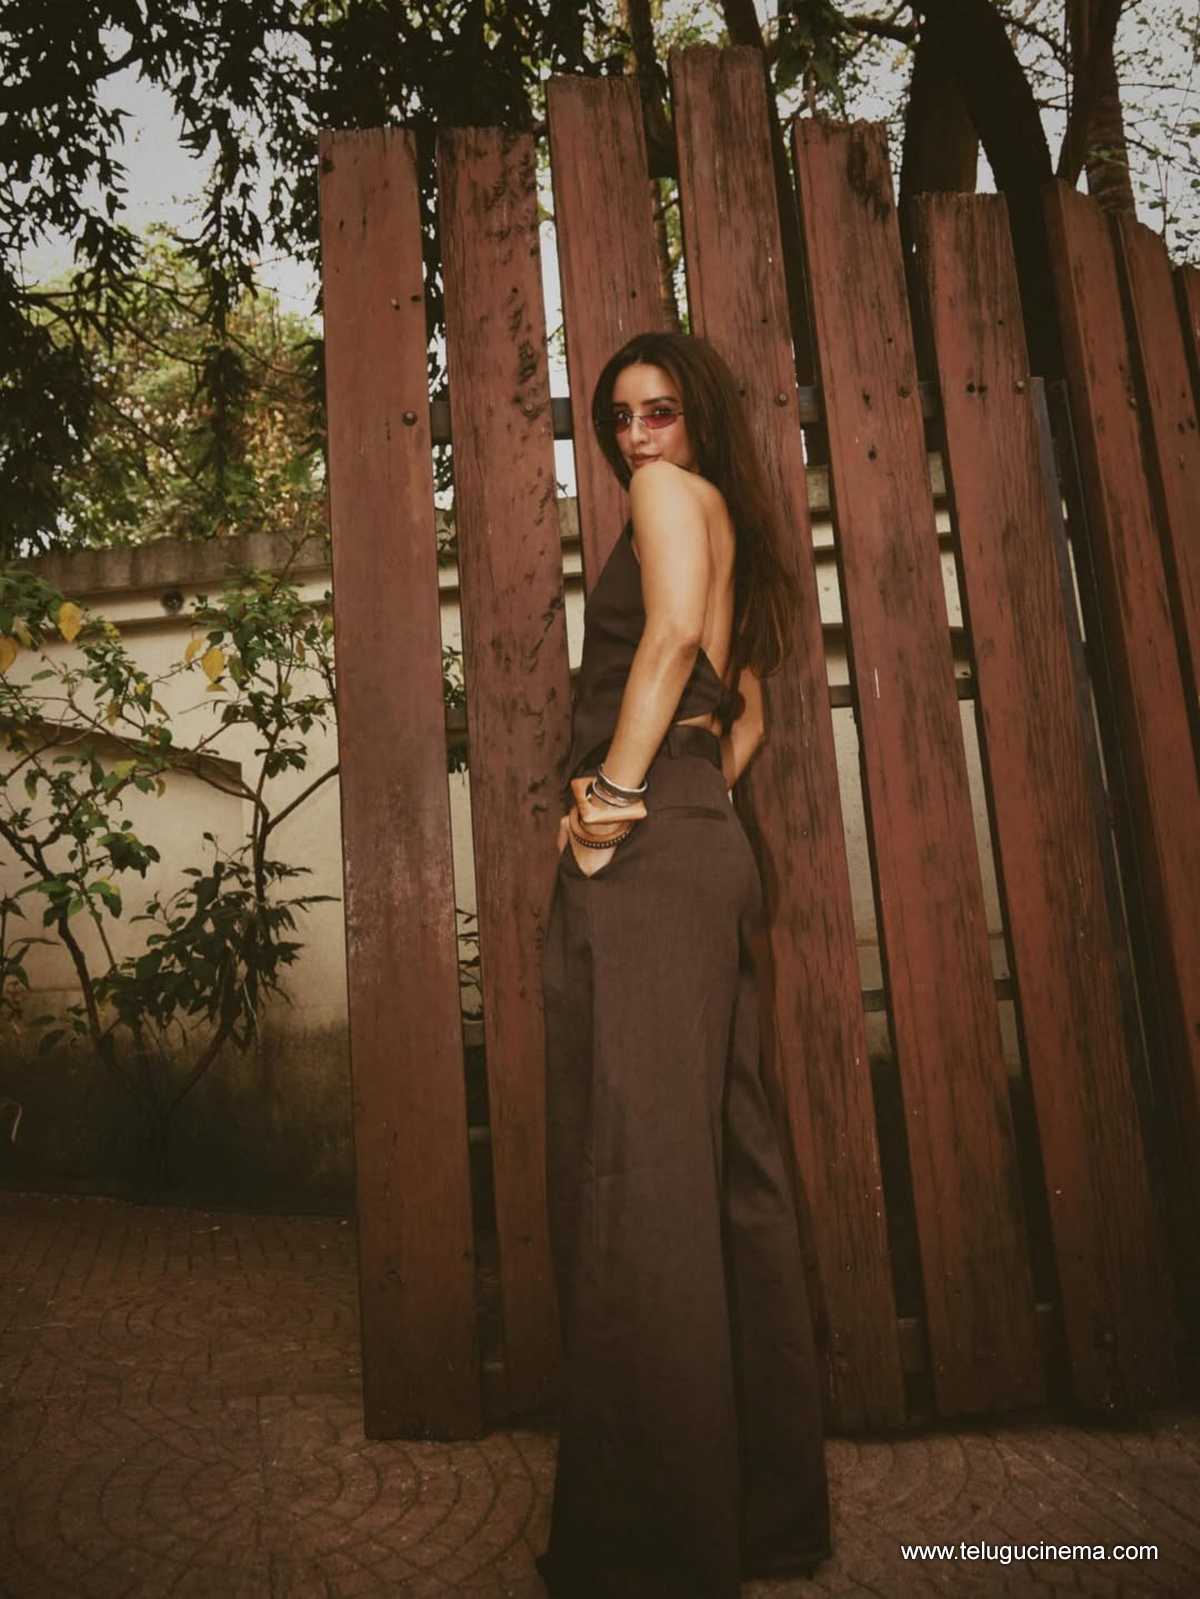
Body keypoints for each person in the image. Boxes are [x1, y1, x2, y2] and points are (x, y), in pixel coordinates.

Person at [536, 331, 832, 1599]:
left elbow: (664, 644)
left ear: (696, 416)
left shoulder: (665, 498)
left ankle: (652, 1547)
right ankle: (764, 1515)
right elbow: (742, 708)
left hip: (653, 846)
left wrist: (614, 798)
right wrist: (695, 790)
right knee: (730, 1168)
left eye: (658, 411)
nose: (636, 439)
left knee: (641, 1180)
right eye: (619, 419)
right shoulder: (729, 527)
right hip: (709, 838)